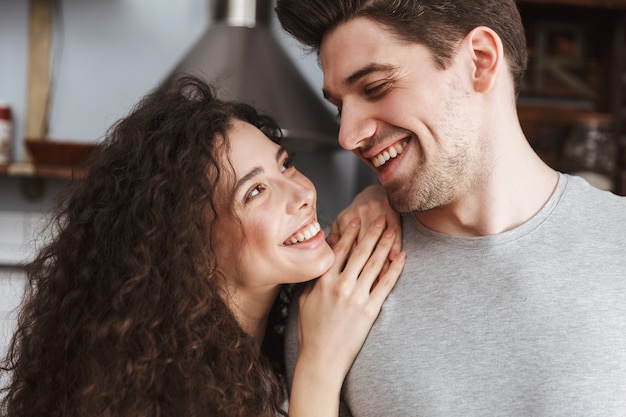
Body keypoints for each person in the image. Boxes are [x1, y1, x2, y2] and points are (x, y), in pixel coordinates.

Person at [275, 1, 626, 416]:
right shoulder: (340, 290)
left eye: (375, 88)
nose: (348, 136)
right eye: (340, 107)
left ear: (479, 61)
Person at [0, 75, 406, 417]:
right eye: (255, 192)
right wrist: (320, 367)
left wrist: (377, 197)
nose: (301, 194)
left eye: (285, 164)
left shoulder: (258, 359)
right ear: (190, 249)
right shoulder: (158, 398)